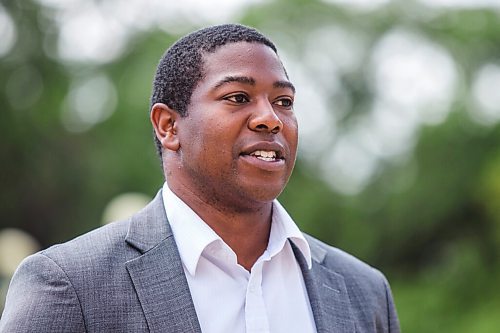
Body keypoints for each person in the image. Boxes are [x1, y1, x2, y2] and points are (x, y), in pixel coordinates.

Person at [0, 24, 400, 332]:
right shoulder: (70, 286)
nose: (271, 118)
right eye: (238, 98)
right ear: (169, 126)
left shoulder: (362, 291)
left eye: (284, 102)